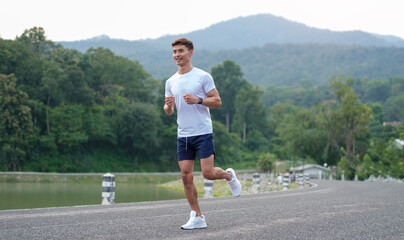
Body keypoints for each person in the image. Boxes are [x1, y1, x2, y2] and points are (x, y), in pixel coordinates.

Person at [164, 38, 242, 230]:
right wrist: (168, 106)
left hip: (202, 132)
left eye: (181, 51)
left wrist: (198, 100)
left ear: (190, 52)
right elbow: (168, 111)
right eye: (174, 52)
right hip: (183, 135)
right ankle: (197, 216)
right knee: (185, 175)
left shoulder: (202, 76)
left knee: (207, 173)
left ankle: (228, 176)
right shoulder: (170, 81)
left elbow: (217, 101)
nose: (177, 55)